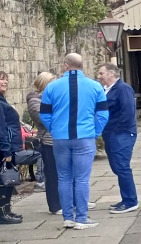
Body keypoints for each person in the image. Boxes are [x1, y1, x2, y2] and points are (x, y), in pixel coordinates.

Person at [41, 53, 109, 230]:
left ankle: (67, 217)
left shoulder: (51, 87)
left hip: (61, 138)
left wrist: (54, 130)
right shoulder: (95, 86)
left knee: (63, 178)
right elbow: (103, 114)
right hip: (84, 137)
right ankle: (81, 218)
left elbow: (45, 115)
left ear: (65, 65)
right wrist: (95, 133)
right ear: (82, 65)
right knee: (81, 179)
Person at [97, 64, 139, 214]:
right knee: (116, 167)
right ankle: (126, 198)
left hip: (122, 134)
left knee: (122, 167)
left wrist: (116, 131)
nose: (99, 76)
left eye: (101, 73)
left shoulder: (123, 89)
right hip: (111, 134)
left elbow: (127, 113)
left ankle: (131, 201)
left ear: (111, 73)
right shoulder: (106, 90)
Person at [27, 72, 60, 215]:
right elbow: (43, 118)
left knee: (66, 173)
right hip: (48, 140)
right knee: (52, 174)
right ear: (44, 84)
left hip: (61, 139)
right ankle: (55, 205)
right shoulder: (34, 101)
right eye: (52, 82)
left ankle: (73, 200)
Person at [0, 71, 24, 224]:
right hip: (5, 147)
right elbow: (1, 127)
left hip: (9, 144)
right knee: (5, 180)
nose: (5, 81)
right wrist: (5, 149)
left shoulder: (3, 100)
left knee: (7, 179)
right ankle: (3, 213)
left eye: (6, 79)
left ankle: (7, 210)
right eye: (1, 79)